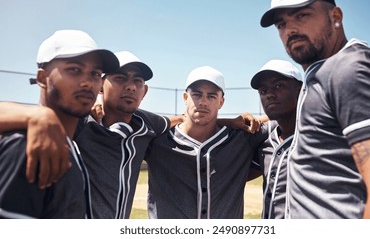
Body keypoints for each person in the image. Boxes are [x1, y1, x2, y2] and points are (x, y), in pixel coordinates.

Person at [0, 53, 258, 218]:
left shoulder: (148, 125)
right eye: (120, 78)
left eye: (137, 81)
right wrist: (38, 115)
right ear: (102, 85)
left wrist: (228, 121)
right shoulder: (78, 121)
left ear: (144, 92)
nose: (130, 86)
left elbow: (183, 119)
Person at [260, 0, 370, 218]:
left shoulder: (352, 67)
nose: (290, 29)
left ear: (336, 17)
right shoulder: (321, 76)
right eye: (281, 24)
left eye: (302, 15)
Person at [0, 29, 119, 218]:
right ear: (42, 78)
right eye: (74, 70)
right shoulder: (29, 146)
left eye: (95, 74)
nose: (88, 82)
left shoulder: (70, 141)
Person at [145, 66, 270, 219]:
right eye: (197, 95)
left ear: (221, 102)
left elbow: (283, 117)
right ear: (185, 98)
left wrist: (250, 120)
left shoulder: (241, 138)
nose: (203, 102)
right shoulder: (157, 141)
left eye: (211, 96)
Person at [249, 59, 302, 219]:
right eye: (263, 91)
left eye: (279, 86)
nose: (269, 94)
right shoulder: (265, 143)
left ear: (300, 90)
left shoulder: (322, 137)